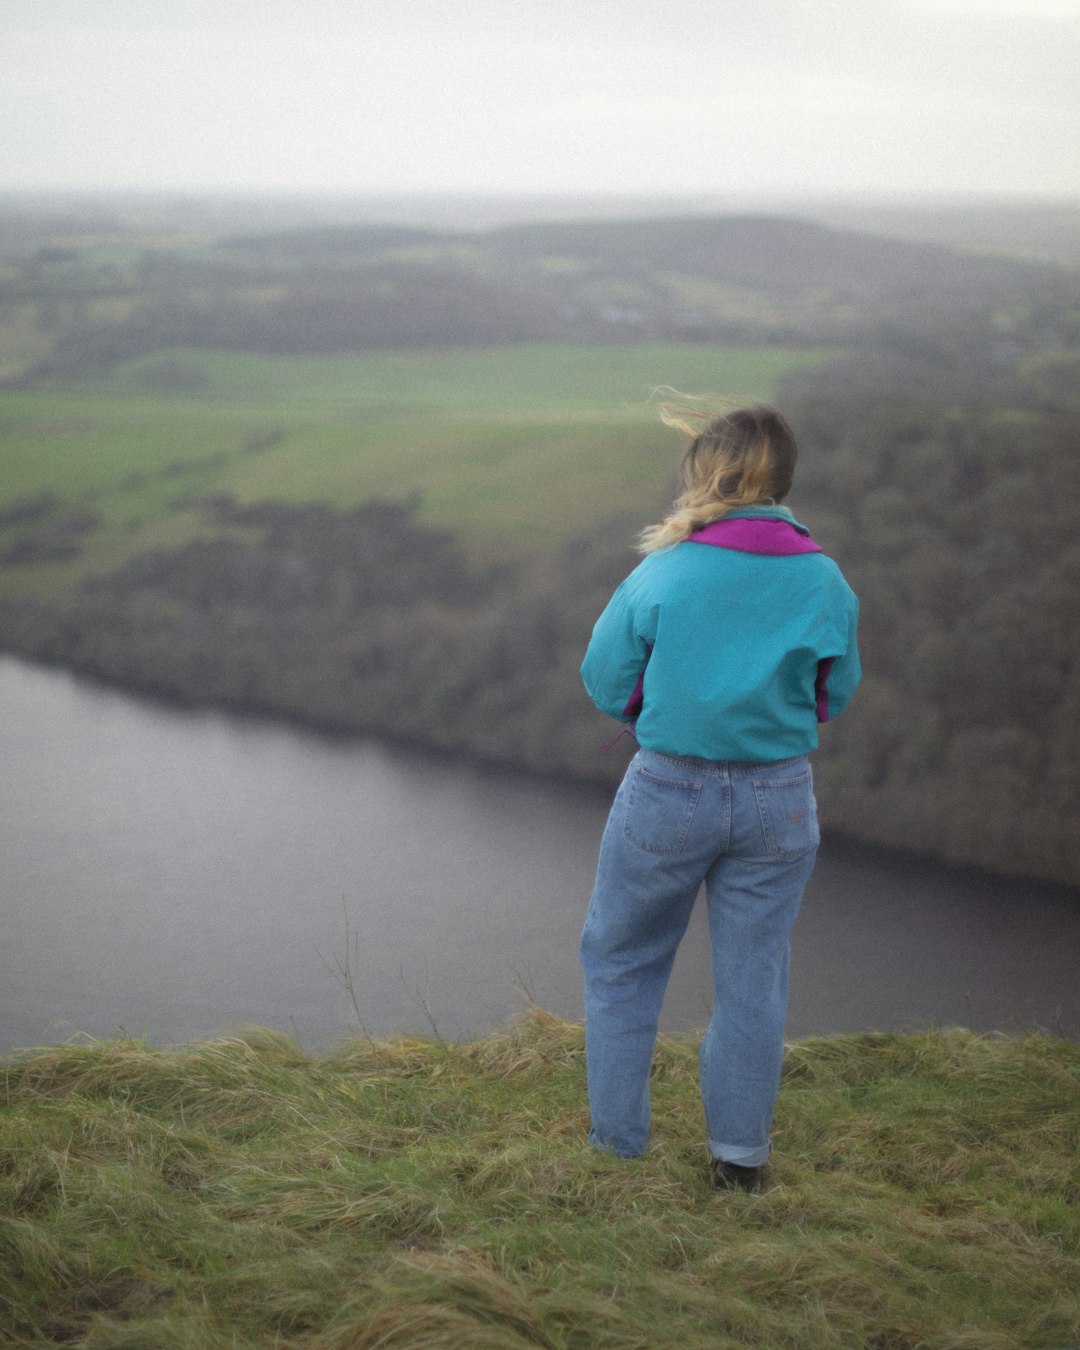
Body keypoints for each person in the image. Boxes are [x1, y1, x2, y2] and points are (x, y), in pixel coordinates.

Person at [578, 397, 861, 1192]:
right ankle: (740, 1164)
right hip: (780, 798)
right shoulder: (824, 578)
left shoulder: (663, 569)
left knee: (624, 962)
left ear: (702, 475)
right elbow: (835, 692)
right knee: (753, 979)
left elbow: (604, 679)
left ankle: (616, 1150)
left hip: (668, 787)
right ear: (786, 482)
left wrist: (661, 714)